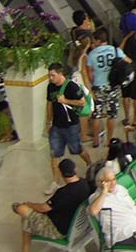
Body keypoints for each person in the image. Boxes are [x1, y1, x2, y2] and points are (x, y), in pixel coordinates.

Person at [14, 159, 90, 252]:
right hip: (79, 226)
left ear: (61, 174)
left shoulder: (63, 192)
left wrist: (29, 204)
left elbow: (43, 208)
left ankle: (25, 249)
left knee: (23, 211)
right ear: (75, 170)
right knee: (29, 216)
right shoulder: (84, 183)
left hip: (59, 230)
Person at [44, 63, 92, 195]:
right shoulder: (50, 87)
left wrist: (66, 101)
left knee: (77, 149)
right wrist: (48, 122)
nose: (50, 78)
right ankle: (56, 181)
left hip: (71, 126)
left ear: (61, 74)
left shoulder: (72, 86)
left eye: (53, 75)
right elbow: (49, 104)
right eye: (49, 75)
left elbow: (82, 102)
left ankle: (90, 164)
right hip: (56, 127)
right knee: (54, 154)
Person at [85, 30, 124, 148]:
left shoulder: (92, 54)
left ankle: (96, 140)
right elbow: (126, 62)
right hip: (113, 85)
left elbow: (90, 74)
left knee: (96, 114)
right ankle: (109, 139)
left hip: (98, 85)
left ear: (97, 40)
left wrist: (92, 85)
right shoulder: (116, 50)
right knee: (112, 114)